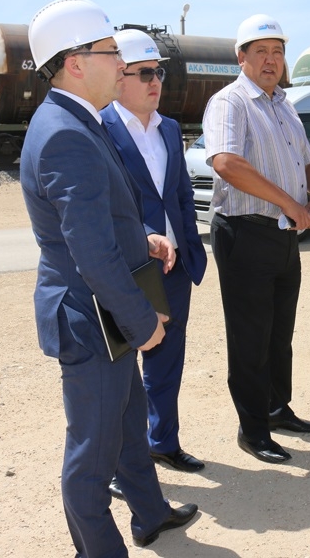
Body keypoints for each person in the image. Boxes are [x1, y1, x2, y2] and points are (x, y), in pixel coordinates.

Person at [19, 0, 196, 556]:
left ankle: (149, 513)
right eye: (111, 52)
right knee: (92, 452)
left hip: (102, 311)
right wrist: (143, 321)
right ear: (75, 63)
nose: (122, 63)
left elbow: (98, 218)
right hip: (91, 316)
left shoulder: (77, 120)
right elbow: (89, 251)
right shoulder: (65, 133)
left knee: (127, 422)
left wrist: (142, 237)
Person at [202, 14, 310, 464]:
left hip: (282, 237)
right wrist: (291, 204)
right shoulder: (230, 102)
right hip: (246, 233)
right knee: (250, 338)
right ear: (241, 58)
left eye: (277, 52)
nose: (271, 60)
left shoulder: (284, 105)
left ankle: (277, 408)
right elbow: (226, 162)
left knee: (279, 333)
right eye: (261, 52)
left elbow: (309, 161)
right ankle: (253, 430)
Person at [102, 29, 208, 483]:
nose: (155, 82)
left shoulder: (169, 128)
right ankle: (116, 464)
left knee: (166, 362)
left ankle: (162, 443)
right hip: (127, 271)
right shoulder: (99, 129)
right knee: (120, 372)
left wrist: (188, 246)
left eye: (159, 72)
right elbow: (102, 208)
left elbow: (180, 195)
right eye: (145, 73)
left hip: (173, 267)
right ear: (118, 75)